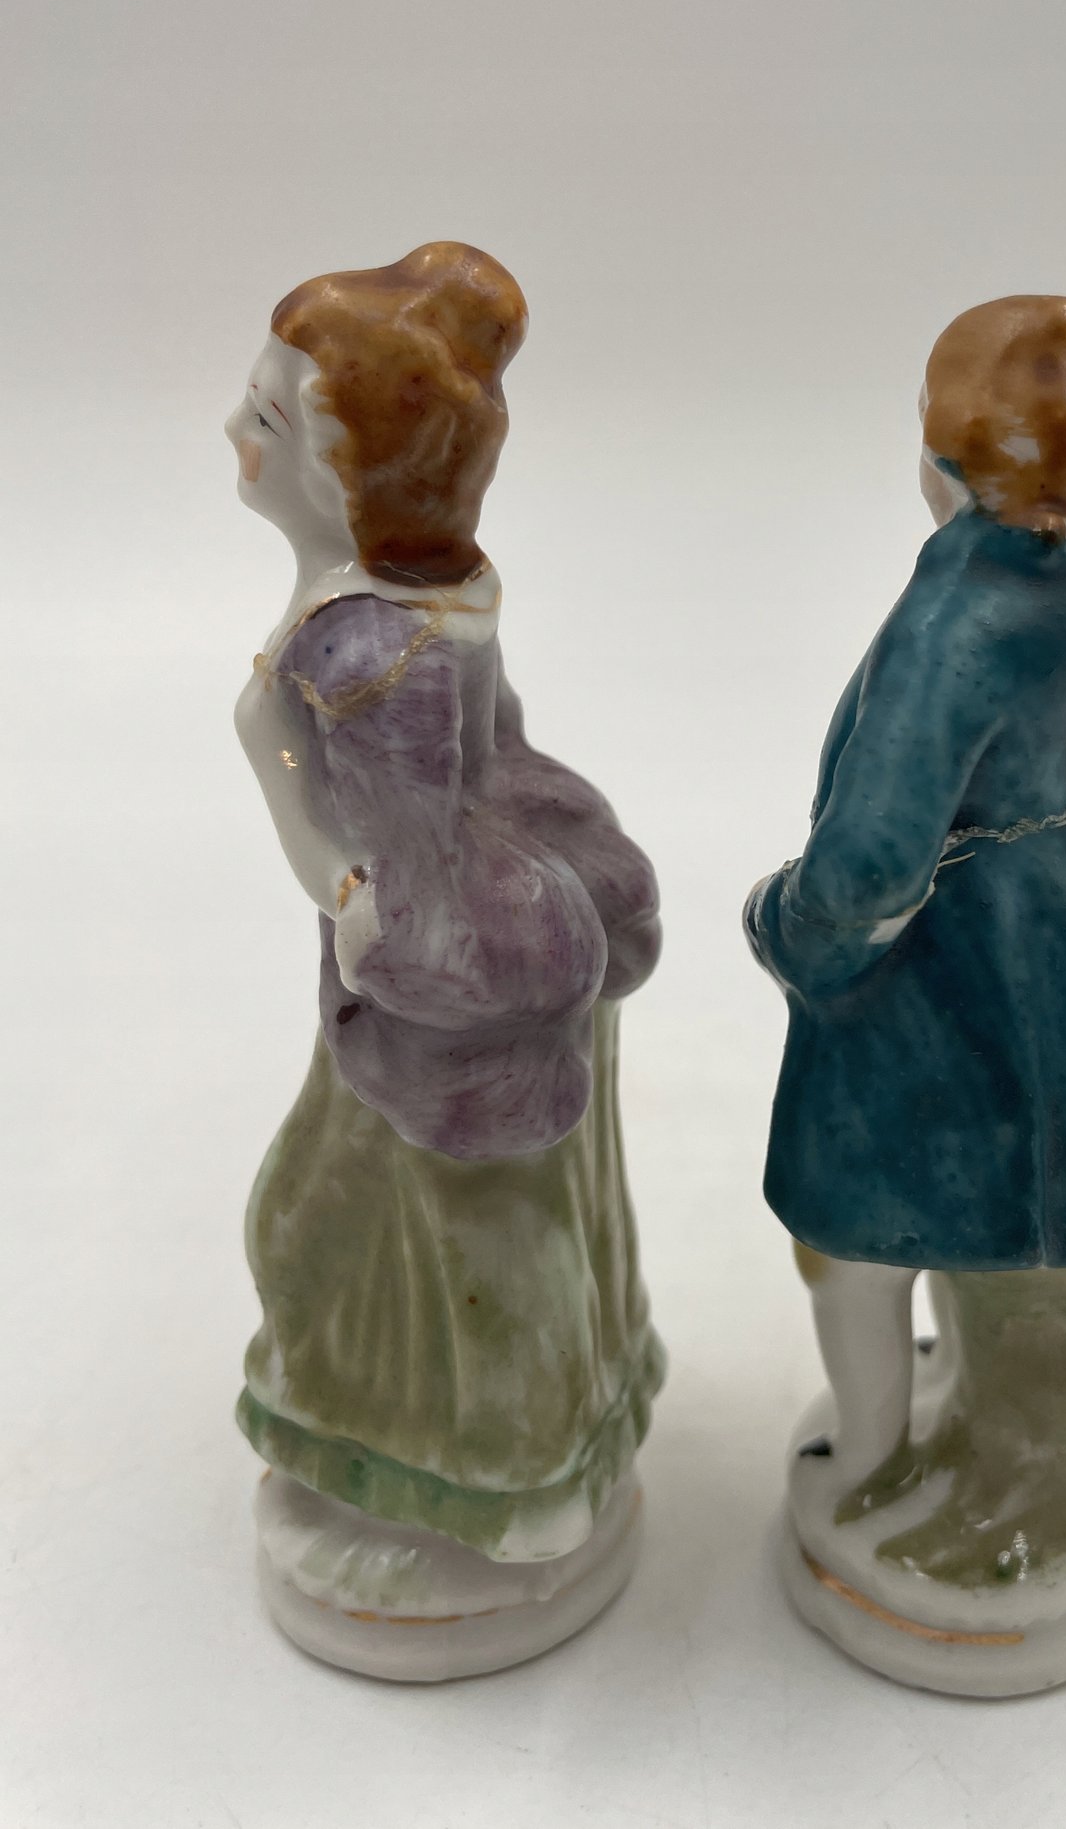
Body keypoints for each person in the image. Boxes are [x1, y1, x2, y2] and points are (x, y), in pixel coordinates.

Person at [747, 294, 1066, 1494]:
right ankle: (969, 1407)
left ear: (943, 459)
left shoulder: (951, 621)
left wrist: (783, 925)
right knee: (1020, 1190)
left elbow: (873, 862)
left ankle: (866, 1457)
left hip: (948, 942)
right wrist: (1051, 729)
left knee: (852, 1235)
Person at [226, 244, 663, 1671]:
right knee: (394, 1229)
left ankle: (496, 1495)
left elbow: (383, 853)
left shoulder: (362, 651)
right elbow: (490, 756)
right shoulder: (431, 598)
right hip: (496, 929)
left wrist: (333, 876)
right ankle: (512, 1466)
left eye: (267, 418)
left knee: (336, 1231)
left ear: (348, 475)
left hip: (442, 985)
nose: (233, 432)